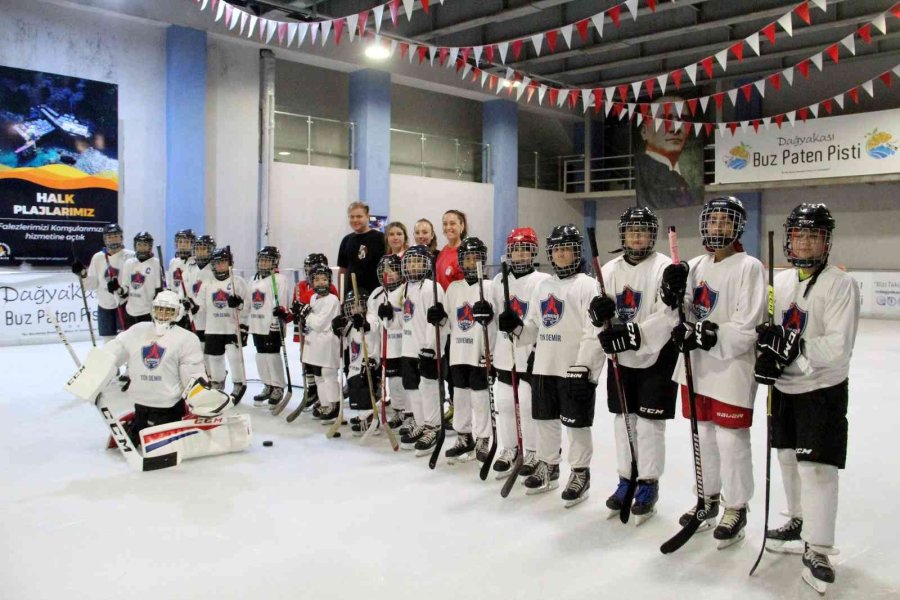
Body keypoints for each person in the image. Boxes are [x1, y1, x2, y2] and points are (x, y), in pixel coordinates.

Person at [756, 203, 859, 594]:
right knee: (786, 458)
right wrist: (766, 353)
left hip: (822, 391)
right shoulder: (779, 283)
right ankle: (798, 520)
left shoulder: (840, 284)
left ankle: (817, 547)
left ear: (826, 242)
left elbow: (837, 347)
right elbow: (767, 331)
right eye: (799, 234)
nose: (805, 242)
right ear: (789, 239)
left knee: (818, 469)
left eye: (814, 235)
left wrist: (792, 350)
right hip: (785, 390)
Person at [660, 196, 765, 548]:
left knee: (731, 441)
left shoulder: (749, 266)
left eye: (726, 220)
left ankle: (736, 507)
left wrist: (706, 335)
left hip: (732, 368)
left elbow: (748, 324)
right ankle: (707, 498)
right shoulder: (693, 265)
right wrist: (671, 293)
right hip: (697, 367)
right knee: (703, 437)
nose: (718, 226)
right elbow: (684, 312)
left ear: (738, 226)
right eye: (713, 220)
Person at [67, 290, 249, 460]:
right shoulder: (136, 331)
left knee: (157, 444)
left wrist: (202, 398)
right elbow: (112, 353)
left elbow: (192, 374)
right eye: (159, 309)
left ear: (177, 313)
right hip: (140, 402)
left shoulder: (186, 338)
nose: (163, 315)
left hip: (168, 408)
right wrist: (93, 375)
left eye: (168, 311)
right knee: (144, 430)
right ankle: (137, 427)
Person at [499, 224, 604, 507]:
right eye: (556, 249)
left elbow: (593, 330)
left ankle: (580, 473)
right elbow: (534, 326)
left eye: (566, 248)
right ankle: (549, 466)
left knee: (576, 425)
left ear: (576, 252)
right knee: (544, 420)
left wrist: (585, 367)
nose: (560, 254)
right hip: (544, 364)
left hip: (574, 368)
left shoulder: (587, 285)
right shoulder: (544, 286)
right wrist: (516, 328)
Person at [587, 207, 678, 524]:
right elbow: (598, 317)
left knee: (650, 426)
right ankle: (627, 479)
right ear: (622, 234)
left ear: (652, 234)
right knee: (623, 422)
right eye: (631, 230)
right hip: (621, 361)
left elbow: (669, 315)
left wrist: (634, 334)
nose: (637, 236)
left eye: (643, 230)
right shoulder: (609, 270)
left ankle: (648, 484)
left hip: (657, 358)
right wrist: (599, 319)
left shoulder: (665, 267)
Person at [490, 227, 550, 479]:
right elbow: (493, 315)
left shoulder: (542, 281)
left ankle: (534, 451)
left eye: (525, 249)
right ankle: (510, 448)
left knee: (527, 405)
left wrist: (538, 348)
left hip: (529, 353)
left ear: (533, 251)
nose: (520, 255)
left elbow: (543, 319)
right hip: (504, 352)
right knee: (504, 403)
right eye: (515, 250)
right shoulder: (498, 281)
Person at [439, 237, 497, 464]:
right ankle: (464, 435)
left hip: (481, 351)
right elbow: (446, 323)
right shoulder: (453, 288)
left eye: (476, 258)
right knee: (460, 395)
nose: (472, 263)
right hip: (458, 352)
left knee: (480, 396)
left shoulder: (491, 287)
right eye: (467, 258)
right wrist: (437, 316)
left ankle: (483, 437)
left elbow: (499, 322)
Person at [394, 245, 446, 455]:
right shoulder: (404, 288)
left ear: (427, 264)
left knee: (428, 387)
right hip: (408, 347)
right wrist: (388, 315)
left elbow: (438, 322)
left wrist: (430, 347)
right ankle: (421, 421)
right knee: (412, 387)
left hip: (426, 350)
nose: (413, 265)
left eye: (418, 261)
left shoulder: (432, 288)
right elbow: (399, 322)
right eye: (410, 261)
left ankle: (434, 426)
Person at [196, 246, 249, 403]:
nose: (220, 266)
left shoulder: (237, 282)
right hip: (213, 327)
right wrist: (191, 306)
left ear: (230, 263)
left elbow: (247, 306)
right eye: (217, 263)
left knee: (234, 357)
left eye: (223, 263)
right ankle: (217, 381)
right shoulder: (207, 283)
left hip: (231, 327)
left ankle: (239, 383)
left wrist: (239, 304)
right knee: (214, 358)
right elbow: (201, 306)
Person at [295, 263, 342, 423]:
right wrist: (300, 315)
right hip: (314, 342)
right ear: (311, 281)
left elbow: (320, 324)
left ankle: (335, 406)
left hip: (328, 343)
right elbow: (309, 323)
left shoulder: (332, 300)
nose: (321, 282)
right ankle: (324, 403)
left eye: (324, 279)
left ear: (329, 281)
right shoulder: (314, 298)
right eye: (317, 280)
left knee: (328, 374)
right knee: (317, 375)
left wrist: (306, 313)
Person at [634, 96, 701, 209]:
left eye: (682, 120)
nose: (675, 128)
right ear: (644, 132)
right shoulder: (645, 173)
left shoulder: (684, 176)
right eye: (665, 120)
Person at [71, 223, 134, 342]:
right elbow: (92, 285)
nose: (112, 239)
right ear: (104, 239)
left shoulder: (131, 256)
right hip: (104, 305)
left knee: (126, 340)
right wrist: (83, 274)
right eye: (109, 237)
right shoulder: (98, 257)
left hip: (125, 304)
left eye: (115, 236)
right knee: (108, 342)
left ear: (121, 237)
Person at [332, 288, 381, 434]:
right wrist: (337, 327)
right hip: (354, 365)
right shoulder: (351, 323)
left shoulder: (371, 317)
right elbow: (345, 341)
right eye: (351, 307)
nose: (354, 310)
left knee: (364, 391)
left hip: (368, 362)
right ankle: (362, 416)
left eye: (357, 305)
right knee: (355, 391)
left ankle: (371, 418)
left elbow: (371, 327)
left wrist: (363, 323)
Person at [248, 246, 290, 407]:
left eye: (267, 260)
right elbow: (248, 302)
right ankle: (267, 384)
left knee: (272, 356)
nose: (264, 263)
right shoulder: (254, 279)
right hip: (256, 323)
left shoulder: (280, 279)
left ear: (275, 262)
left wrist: (277, 321)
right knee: (261, 356)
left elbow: (281, 303)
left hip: (271, 325)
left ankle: (278, 386)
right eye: (262, 260)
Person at [372, 254, 408, 430]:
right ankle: (398, 410)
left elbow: (410, 317)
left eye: (393, 271)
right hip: (388, 347)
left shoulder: (405, 290)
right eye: (384, 271)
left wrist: (394, 315)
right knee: (393, 380)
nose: (389, 275)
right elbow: (372, 320)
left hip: (405, 344)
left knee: (406, 380)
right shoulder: (376, 294)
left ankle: (409, 412)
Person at [337, 201, 386, 299]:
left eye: (359, 216)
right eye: (352, 217)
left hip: (375, 296)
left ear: (367, 216)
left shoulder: (380, 238)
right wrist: (341, 296)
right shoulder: (346, 240)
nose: (355, 220)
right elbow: (342, 270)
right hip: (350, 297)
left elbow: (386, 269)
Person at [118, 231, 163, 329]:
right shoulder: (129, 263)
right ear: (135, 246)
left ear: (150, 246)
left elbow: (158, 290)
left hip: (148, 311)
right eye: (139, 244)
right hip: (130, 310)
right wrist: (119, 289)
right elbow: (125, 287)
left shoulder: (155, 263)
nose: (142, 247)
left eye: (145, 245)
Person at [167, 229, 196, 331]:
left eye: (186, 242)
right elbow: (171, 287)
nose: (183, 245)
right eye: (180, 242)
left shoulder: (195, 263)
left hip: (191, 308)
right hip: (176, 308)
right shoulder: (173, 262)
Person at [435, 210, 467, 291]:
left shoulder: (465, 254)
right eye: (445, 224)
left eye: (452, 223)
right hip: (440, 302)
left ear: (462, 225)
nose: (448, 227)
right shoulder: (442, 252)